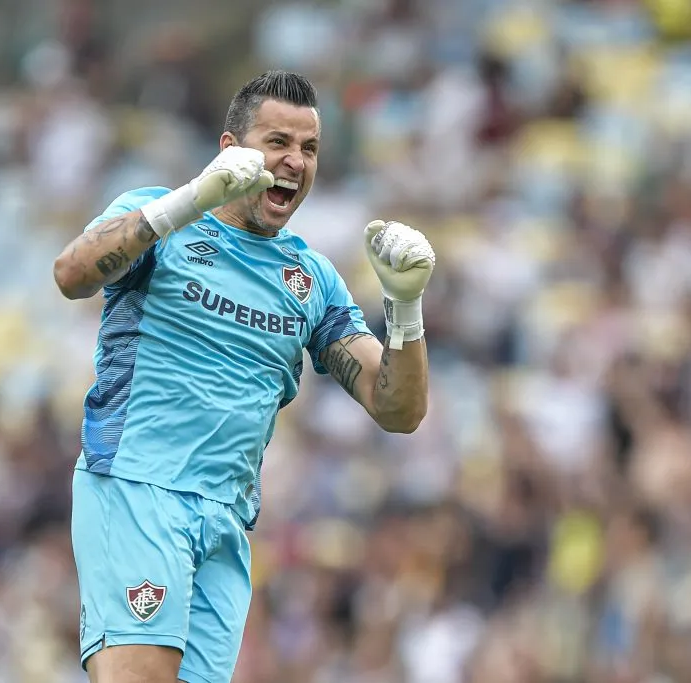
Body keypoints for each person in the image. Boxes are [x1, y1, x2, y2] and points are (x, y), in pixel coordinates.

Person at [52, 70, 436, 683]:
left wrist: (406, 307)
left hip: (225, 520)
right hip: (137, 488)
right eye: (277, 142)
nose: (294, 162)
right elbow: (72, 274)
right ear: (231, 150)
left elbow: (399, 410)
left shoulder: (311, 279)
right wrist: (193, 198)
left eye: (308, 149)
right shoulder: (159, 217)